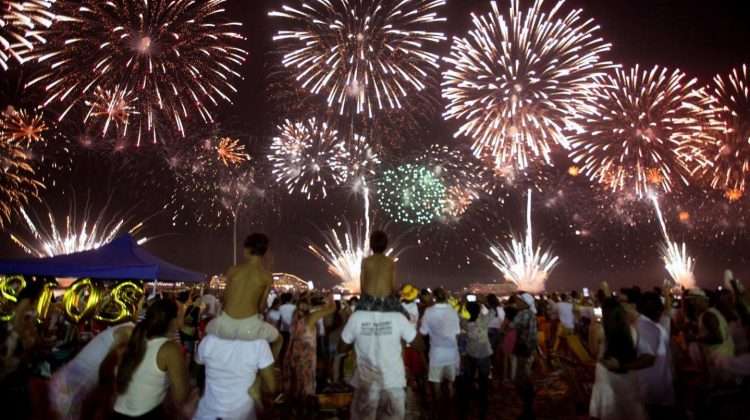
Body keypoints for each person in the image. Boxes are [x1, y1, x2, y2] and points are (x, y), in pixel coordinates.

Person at [339, 293, 417, 420]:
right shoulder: (398, 317)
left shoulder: (357, 317)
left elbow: (341, 348)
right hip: (393, 384)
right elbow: (419, 344)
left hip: (366, 384)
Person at [113, 298, 191, 419]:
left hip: (118, 412)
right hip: (145, 414)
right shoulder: (169, 349)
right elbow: (182, 397)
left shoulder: (138, 339)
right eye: (182, 314)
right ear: (173, 320)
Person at [205, 234, 280, 353]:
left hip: (225, 325)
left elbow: (225, 299)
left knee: (206, 333)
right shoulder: (267, 276)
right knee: (278, 340)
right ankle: (264, 369)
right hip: (249, 328)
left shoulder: (233, 270)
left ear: (248, 249)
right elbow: (261, 307)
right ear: (264, 252)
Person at [49, 318, 135, 420]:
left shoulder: (128, 328)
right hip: (66, 395)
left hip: (65, 386)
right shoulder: (130, 332)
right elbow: (115, 365)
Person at [589, 298, 653, 420]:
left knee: (610, 412)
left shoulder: (599, 330)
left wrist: (592, 325)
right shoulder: (633, 330)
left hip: (605, 377)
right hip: (628, 376)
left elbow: (593, 352)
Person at [193, 335, 277, 420]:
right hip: (242, 415)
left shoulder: (208, 340)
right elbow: (271, 387)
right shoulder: (259, 342)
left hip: (208, 414)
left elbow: (196, 374)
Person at [282, 294, 336, 412]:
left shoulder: (295, 317)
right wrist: (329, 298)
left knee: (295, 384)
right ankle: (305, 412)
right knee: (306, 385)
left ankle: (294, 411)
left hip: (293, 355)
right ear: (309, 305)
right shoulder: (311, 317)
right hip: (306, 358)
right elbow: (332, 309)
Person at [419, 288, 460, 419]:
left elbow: (423, 332)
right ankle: (451, 412)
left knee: (436, 386)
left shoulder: (429, 312)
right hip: (452, 352)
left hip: (436, 353)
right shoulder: (453, 311)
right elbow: (457, 331)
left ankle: (438, 413)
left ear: (434, 297)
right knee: (450, 384)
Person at [635, 291, 675, 417]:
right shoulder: (648, 328)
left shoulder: (648, 325)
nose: (660, 311)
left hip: (655, 386)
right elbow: (649, 359)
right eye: (658, 308)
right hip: (653, 388)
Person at [460, 301, 492, 420]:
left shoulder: (465, 323)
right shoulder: (483, 320)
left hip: (471, 353)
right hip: (484, 353)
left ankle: (466, 405)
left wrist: (463, 308)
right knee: (483, 381)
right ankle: (483, 406)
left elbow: (461, 316)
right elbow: (492, 312)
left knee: (468, 380)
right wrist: (484, 303)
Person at [511, 293, 539, 420]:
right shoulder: (531, 313)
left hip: (523, 348)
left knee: (520, 378)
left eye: (519, 300)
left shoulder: (523, 314)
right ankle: (529, 405)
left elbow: (512, 327)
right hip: (528, 347)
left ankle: (528, 407)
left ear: (525, 303)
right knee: (524, 375)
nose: (517, 302)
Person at [360, 231, 402, 312]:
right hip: (386, 299)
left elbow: (362, 285)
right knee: (406, 316)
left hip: (369, 300)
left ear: (371, 245)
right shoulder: (390, 262)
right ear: (386, 245)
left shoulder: (365, 261)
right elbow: (393, 286)